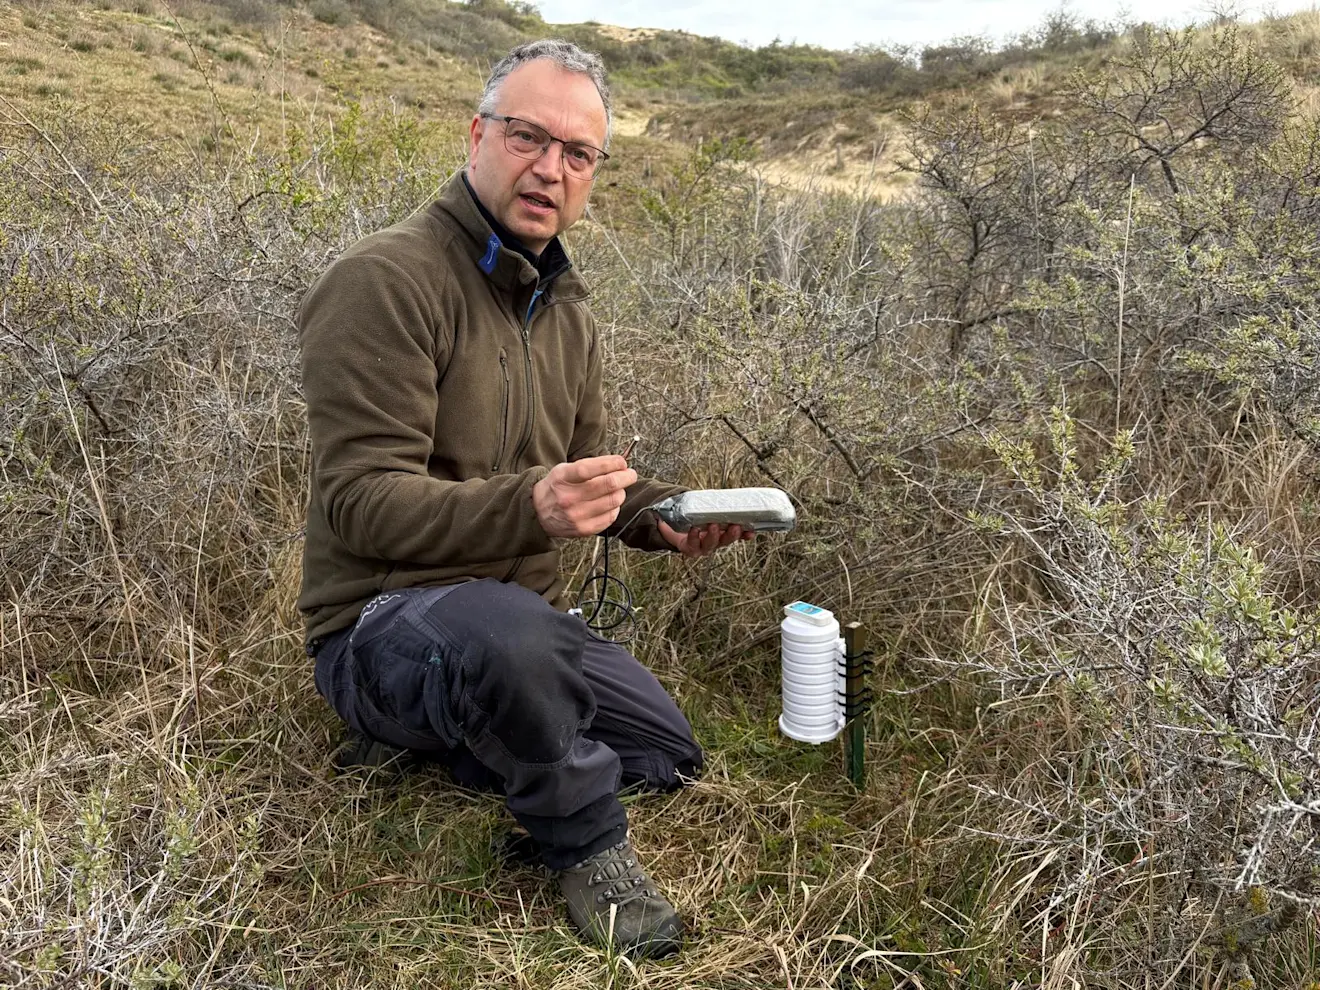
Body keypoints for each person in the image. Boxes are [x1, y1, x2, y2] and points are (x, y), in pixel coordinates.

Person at [295, 39, 751, 959]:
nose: (551, 168)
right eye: (527, 136)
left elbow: (585, 472)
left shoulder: (567, 312)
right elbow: (359, 500)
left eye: (578, 152)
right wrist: (529, 508)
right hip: (379, 626)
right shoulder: (385, 280)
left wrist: (666, 515)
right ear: (477, 136)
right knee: (510, 639)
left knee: (664, 752)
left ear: (593, 175)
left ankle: (448, 740)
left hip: (521, 629)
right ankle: (587, 849)